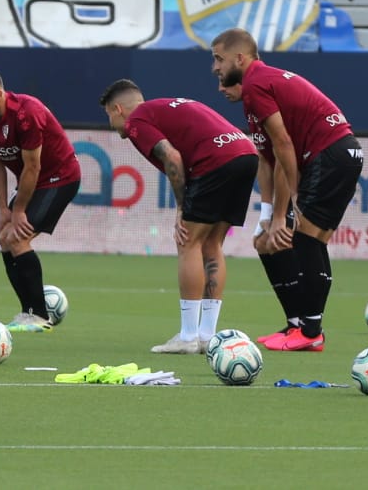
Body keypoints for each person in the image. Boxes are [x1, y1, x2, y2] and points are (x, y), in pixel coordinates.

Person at [210, 26, 363, 353]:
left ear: (240, 58)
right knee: (269, 242)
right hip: (335, 155)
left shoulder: (256, 84)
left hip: (331, 153)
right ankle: (297, 324)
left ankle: (311, 331)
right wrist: (269, 216)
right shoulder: (257, 91)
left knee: (305, 238)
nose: (216, 69)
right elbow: (269, 161)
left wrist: (284, 212)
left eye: (219, 60)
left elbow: (283, 146)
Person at [99, 79, 260, 354]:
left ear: (117, 109)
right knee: (212, 245)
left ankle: (188, 337)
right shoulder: (163, 108)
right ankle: (207, 336)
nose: (112, 125)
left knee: (188, 242)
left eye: (109, 117)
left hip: (216, 160)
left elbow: (172, 157)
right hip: (245, 154)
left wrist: (181, 207)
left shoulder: (137, 120)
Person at [0, 66, 81, 333]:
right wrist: (3, 209)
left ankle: (39, 316)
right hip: (33, 182)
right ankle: (27, 312)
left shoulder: (27, 113)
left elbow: (33, 168)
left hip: (58, 178)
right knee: (5, 237)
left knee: (17, 237)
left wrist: (18, 211)